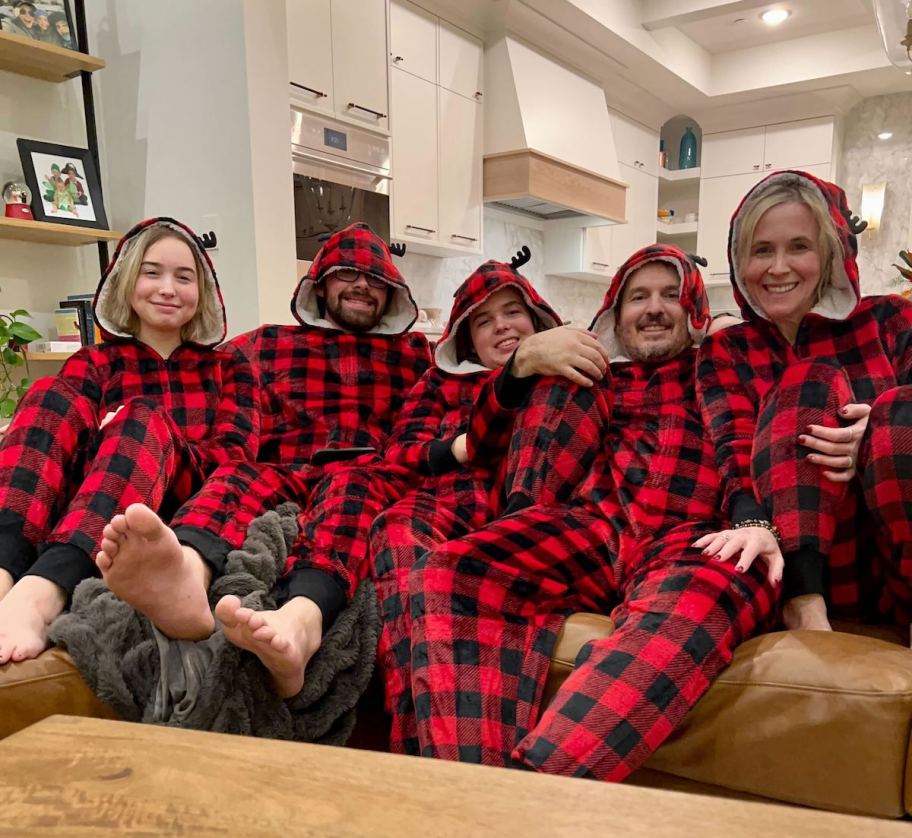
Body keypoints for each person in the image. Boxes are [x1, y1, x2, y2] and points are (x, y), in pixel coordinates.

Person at [406, 243, 778, 780]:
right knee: (448, 571)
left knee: (720, 585)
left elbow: (763, 430)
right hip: (595, 532)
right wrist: (523, 361)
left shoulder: (723, 365)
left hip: (692, 538)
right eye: (638, 297)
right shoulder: (595, 372)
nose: (653, 308)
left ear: (693, 306)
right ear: (615, 313)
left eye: (670, 295)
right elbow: (485, 434)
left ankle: (540, 790)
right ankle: (471, 788)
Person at [96, 222, 432, 698]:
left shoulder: (420, 354)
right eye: (345, 273)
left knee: (353, 489)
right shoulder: (265, 345)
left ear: (393, 291)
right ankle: (185, 573)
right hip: (285, 472)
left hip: (371, 474)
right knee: (236, 473)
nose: (361, 285)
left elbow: (475, 385)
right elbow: (192, 377)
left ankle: (301, 622)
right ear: (319, 282)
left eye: (375, 279)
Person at [371, 254, 605, 753]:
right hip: (451, 501)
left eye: (512, 313)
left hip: (534, 517)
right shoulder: (439, 384)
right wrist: (455, 448)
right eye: (483, 320)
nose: (501, 327)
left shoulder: (569, 368)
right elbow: (401, 450)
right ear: (466, 337)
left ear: (536, 318)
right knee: (394, 530)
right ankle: (415, 742)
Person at [0, 217, 258, 664]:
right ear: (127, 280)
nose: (167, 288)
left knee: (140, 417)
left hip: (177, 500)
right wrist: (106, 433)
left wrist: (153, 434)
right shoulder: (95, 361)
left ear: (203, 293)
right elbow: (55, 441)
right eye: (152, 272)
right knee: (46, 394)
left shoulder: (229, 369)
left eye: (184, 277)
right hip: (91, 499)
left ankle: (43, 596)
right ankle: (4, 568)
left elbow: (236, 457)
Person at [695, 169, 912, 630]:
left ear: (830, 253)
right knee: (808, 382)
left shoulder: (892, 320)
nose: (778, 268)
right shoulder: (726, 350)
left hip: (890, 559)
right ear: (738, 261)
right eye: (761, 250)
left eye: (799, 247)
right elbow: (732, 456)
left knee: (899, 412)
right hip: (787, 564)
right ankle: (805, 610)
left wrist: (872, 439)